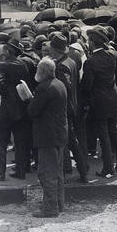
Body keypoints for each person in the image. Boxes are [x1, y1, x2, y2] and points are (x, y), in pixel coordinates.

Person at [81, 26, 117, 177]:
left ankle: (108, 167)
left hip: (99, 101)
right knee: (115, 131)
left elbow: (87, 85)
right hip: (113, 98)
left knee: (103, 134)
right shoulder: (111, 56)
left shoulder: (90, 62)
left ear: (92, 43)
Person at [28, 57, 67, 217]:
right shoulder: (59, 84)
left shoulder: (43, 88)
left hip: (47, 135)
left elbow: (33, 111)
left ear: (42, 71)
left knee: (46, 173)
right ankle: (58, 203)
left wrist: (29, 101)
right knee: (57, 172)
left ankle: (50, 208)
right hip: (59, 133)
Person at [48, 33, 88, 182]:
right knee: (71, 141)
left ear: (54, 49)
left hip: (65, 108)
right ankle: (82, 171)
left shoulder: (61, 67)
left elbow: (64, 89)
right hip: (74, 105)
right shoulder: (71, 61)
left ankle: (65, 173)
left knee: (65, 141)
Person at [0, 38, 31, 181]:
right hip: (22, 106)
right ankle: (21, 171)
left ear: (8, 51)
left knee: (1, 140)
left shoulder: (1, 66)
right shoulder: (23, 65)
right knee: (20, 140)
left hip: (7, 107)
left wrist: (6, 91)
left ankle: (0, 173)